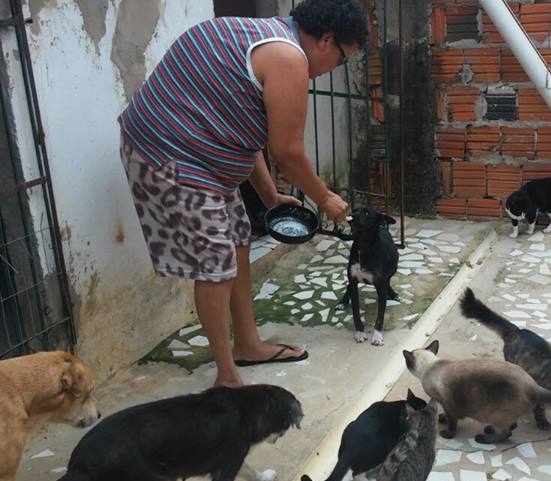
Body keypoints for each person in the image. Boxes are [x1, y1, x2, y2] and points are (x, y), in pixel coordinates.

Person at [118, 0, 367, 387]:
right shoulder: (288, 58)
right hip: (167, 153)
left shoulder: (261, 35)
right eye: (341, 59)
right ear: (327, 40)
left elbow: (236, 122)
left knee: (238, 239)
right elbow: (286, 151)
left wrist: (269, 196)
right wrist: (326, 198)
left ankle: (248, 345)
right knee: (216, 262)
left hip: (199, 152)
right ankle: (227, 378)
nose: (333, 69)